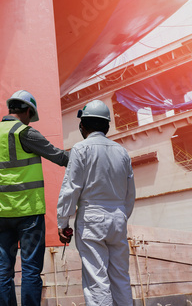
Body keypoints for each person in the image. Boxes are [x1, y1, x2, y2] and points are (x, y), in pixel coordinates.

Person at [0, 90, 70, 306]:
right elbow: (60, 157)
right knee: (30, 269)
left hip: (3, 213)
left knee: (4, 268)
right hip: (29, 213)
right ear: (28, 110)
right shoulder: (25, 133)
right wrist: (86, 153)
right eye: (31, 115)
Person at [57, 100, 136, 306]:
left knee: (96, 280)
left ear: (82, 126)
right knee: (121, 277)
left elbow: (71, 189)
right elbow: (130, 193)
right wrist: (120, 215)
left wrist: (63, 223)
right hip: (118, 218)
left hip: (92, 219)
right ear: (107, 126)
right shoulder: (122, 152)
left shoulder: (81, 149)